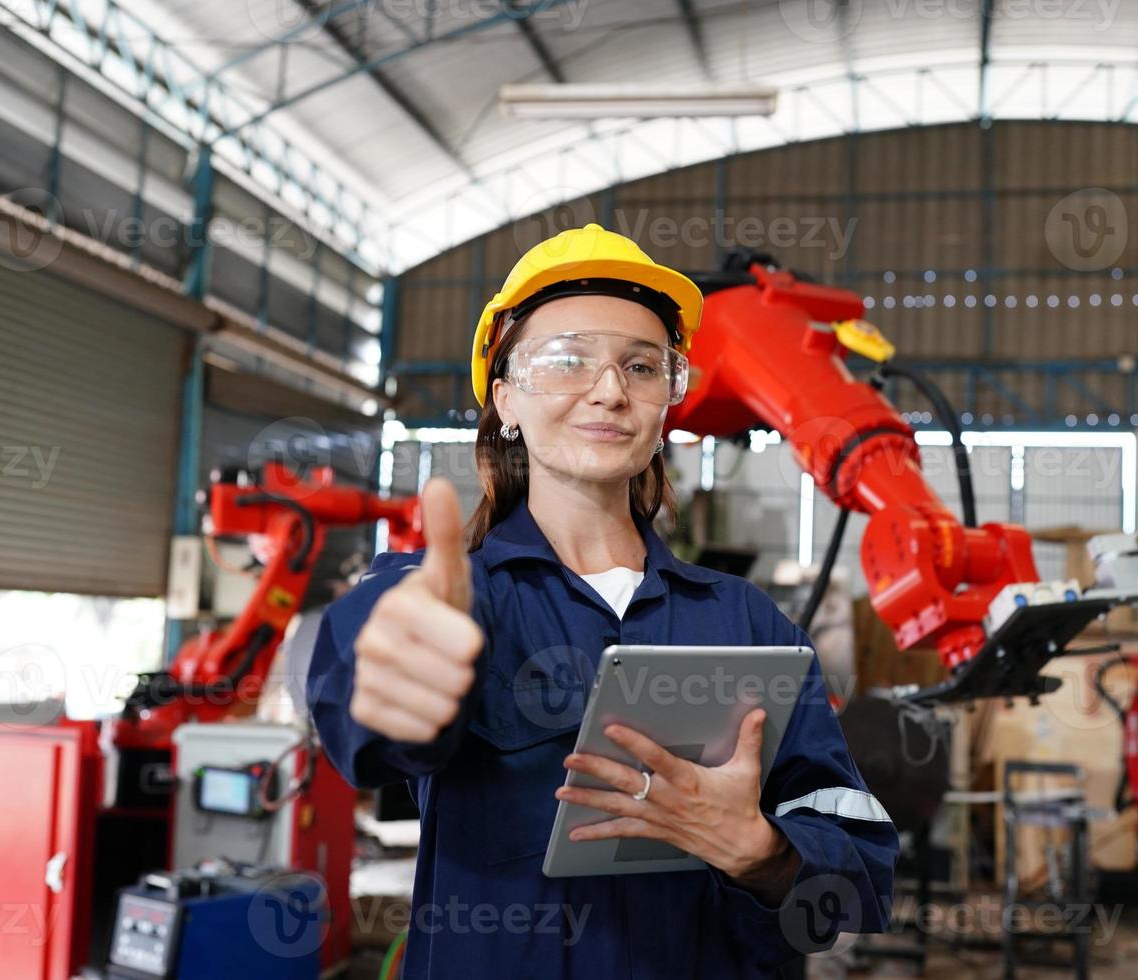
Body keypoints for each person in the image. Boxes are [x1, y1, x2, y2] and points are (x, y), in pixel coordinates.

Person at [307, 224, 897, 978]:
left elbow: (860, 885)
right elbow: (364, 715)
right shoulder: (439, 597)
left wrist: (763, 853)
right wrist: (393, 677)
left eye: (643, 366)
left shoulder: (747, 622)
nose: (611, 390)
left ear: (666, 405)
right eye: (566, 360)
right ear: (505, 398)